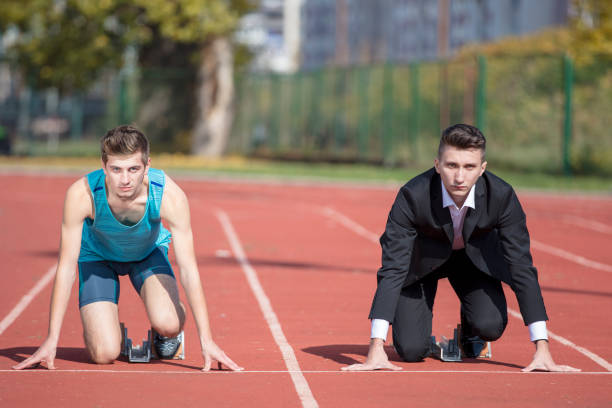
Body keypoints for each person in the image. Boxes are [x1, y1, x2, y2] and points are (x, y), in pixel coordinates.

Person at [343, 124, 579, 372]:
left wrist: (542, 348)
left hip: (472, 263)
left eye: (469, 167)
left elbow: (521, 266)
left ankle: (470, 333)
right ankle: (426, 342)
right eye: (451, 165)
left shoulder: (502, 196)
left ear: (482, 169)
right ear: (437, 165)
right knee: (411, 350)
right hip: (423, 265)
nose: (459, 177)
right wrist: (375, 347)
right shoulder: (412, 196)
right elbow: (392, 267)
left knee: (489, 326)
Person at [14, 125, 242, 371]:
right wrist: (51, 340)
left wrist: (206, 340)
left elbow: (188, 269)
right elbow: (67, 267)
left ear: (147, 166)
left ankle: (169, 330)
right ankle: (112, 334)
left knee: (167, 322)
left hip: (147, 254)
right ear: (104, 167)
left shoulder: (168, 196)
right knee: (103, 353)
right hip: (97, 259)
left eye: (133, 169)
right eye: (116, 169)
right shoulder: (82, 195)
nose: (125, 179)